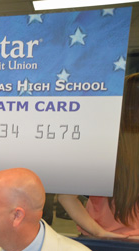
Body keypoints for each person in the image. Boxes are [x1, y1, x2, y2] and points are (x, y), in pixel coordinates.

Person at [57, 73, 139, 240]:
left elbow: (66, 197)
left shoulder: (102, 145)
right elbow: (66, 197)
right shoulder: (104, 146)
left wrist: (99, 232)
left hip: (102, 243)